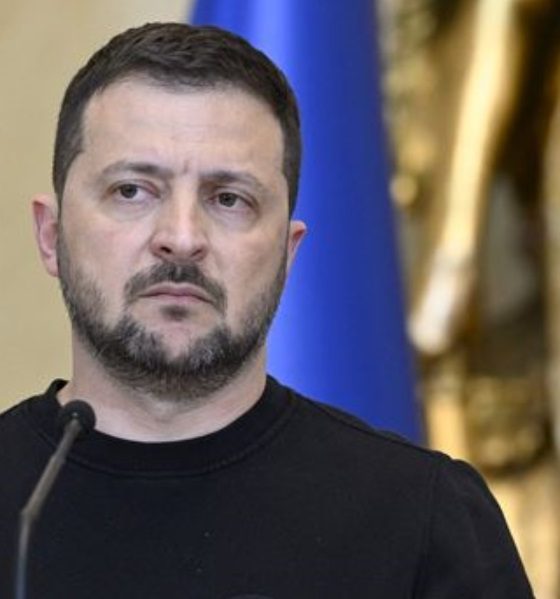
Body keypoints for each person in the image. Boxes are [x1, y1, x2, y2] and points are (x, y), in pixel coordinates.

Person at [0, 22, 533, 598]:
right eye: (132, 190)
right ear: (51, 235)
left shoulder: (424, 519)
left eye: (229, 199)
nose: (181, 238)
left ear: (287, 253)